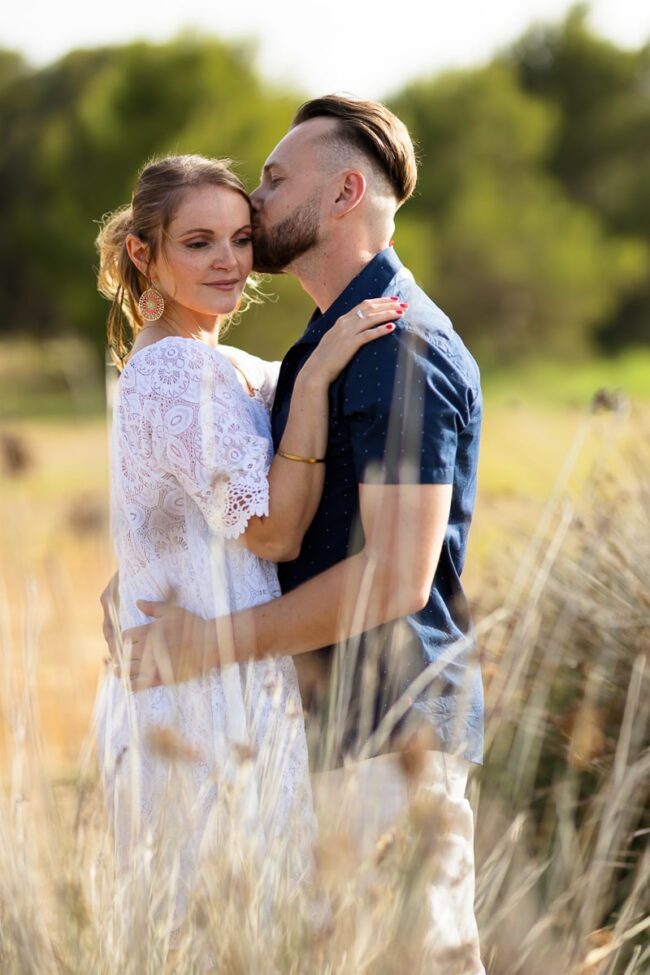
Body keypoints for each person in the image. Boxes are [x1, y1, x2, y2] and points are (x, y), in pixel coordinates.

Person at [111, 96, 485, 973]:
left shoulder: (397, 347)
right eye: (201, 239)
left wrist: (207, 644)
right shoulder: (320, 341)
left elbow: (395, 579)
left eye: (275, 181)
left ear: (346, 191)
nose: (257, 198)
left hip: (390, 731)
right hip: (313, 734)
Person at [94, 152, 401, 956]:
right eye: (198, 243)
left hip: (227, 687)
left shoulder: (216, 362)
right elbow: (271, 533)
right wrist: (320, 374)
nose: (228, 261)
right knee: (220, 937)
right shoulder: (175, 370)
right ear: (143, 252)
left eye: (238, 237)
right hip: (197, 706)